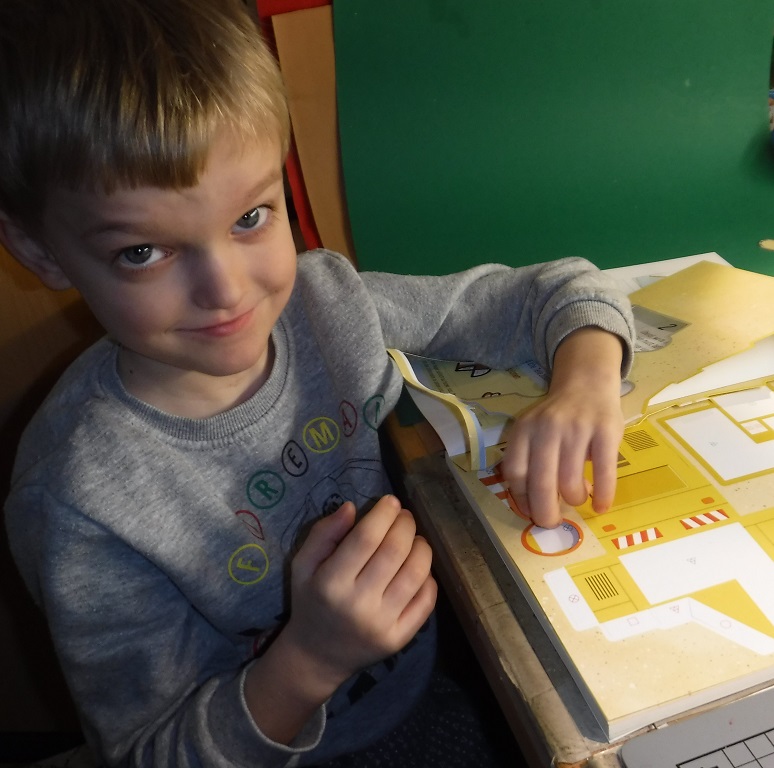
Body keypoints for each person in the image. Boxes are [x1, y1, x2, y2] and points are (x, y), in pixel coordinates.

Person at [0, 0, 635, 766]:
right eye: (143, 253)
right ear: (40, 251)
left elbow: (553, 290)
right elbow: (150, 754)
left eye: (251, 217)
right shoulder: (80, 501)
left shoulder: (324, 306)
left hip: (444, 660)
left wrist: (586, 381)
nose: (227, 290)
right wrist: (309, 660)